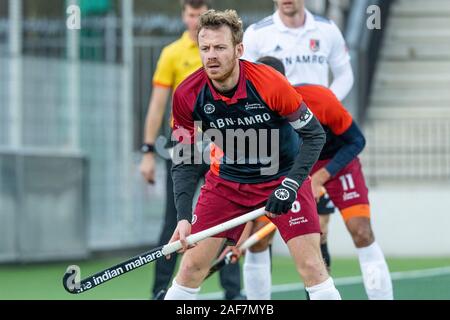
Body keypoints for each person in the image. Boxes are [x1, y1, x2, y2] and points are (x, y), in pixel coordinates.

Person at [164, 9, 341, 300]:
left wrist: (290, 185)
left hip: (282, 178)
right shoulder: (186, 94)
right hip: (226, 184)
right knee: (191, 268)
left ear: (239, 49)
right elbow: (184, 159)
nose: (211, 56)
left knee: (311, 265)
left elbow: (314, 135)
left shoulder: (268, 83)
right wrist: (184, 216)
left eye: (220, 48)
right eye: (205, 48)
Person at [230, 56, 393, 300]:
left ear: (282, 81)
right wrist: (240, 236)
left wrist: (321, 177)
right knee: (258, 241)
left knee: (361, 231)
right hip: (293, 168)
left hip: (337, 164)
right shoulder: (250, 116)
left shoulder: (320, 98)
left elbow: (356, 141)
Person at [241, 0, 354, 297]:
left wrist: (323, 107)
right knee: (259, 239)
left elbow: (345, 75)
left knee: (318, 235)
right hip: (267, 154)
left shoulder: (327, 29)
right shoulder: (256, 34)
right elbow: (244, 85)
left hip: (314, 147)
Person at [139, 0, 242, 300]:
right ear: (184, 15)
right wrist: (147, 150)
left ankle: (233, 293)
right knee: (174, 220)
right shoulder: (171, 54)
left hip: (219, 144)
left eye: (200, 14)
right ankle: (160, 291)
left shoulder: (221, 45)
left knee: (226, 219)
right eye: (190, 14)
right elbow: (158, 104)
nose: (195, 20)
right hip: (183, 142)